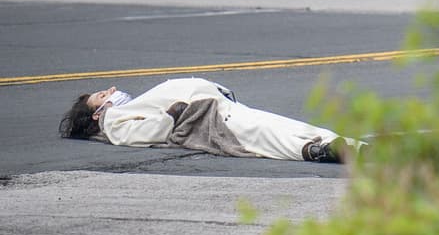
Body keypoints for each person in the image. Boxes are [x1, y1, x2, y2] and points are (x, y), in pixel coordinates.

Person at [59, 77, 356, 163]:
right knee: (264, 135)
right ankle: (317, 151)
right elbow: (147, 132)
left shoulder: (126, 110)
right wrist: (176, 111)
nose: (111, 90)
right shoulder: (112, 120)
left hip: (217, 106)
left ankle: (349, 146)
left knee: (278, 126)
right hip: (206, 115)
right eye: (103, 95)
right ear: (97, 113)